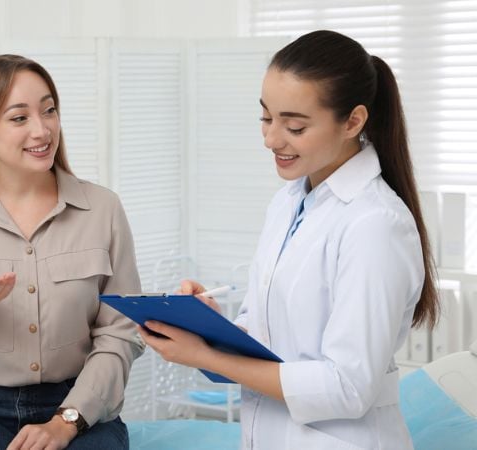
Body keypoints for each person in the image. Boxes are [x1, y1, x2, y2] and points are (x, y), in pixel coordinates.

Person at [140, 30, 439, 449]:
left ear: (353, 121)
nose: (272, 139)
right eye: (266, 118)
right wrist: (207, 327)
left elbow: (347, 387)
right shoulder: (288, 202)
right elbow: (268, 345)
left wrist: (205, 356)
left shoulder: (375, 224)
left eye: (294, 126)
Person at [0, 54, 144, 450]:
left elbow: (121, 333)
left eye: (49, 110)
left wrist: (67, 421)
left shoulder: (103, 208)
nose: (42, 129)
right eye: (19, 118)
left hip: (79, 402)